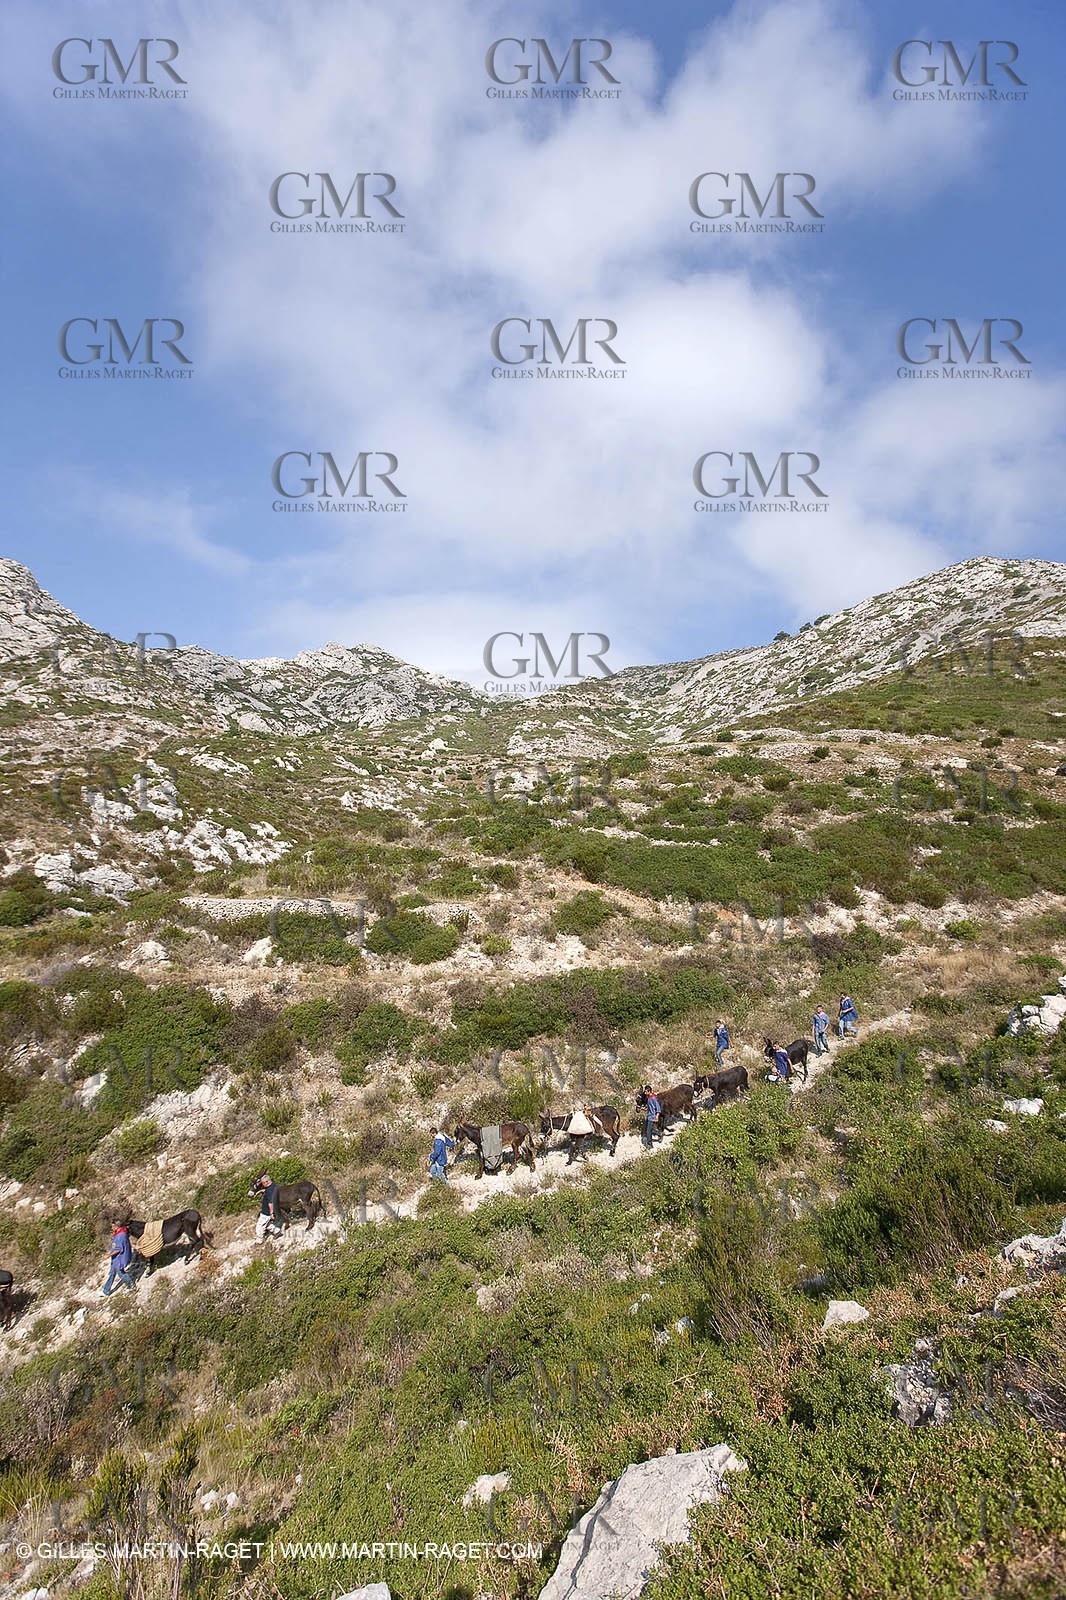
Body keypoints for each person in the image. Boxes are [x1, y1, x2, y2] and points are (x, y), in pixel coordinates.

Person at [100, 1222, 135, 1296]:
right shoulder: (119, 1233)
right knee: (112, 1273)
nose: (112, 1228)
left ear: (116, 1226)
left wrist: (108, 1255)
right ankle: (106, 1290)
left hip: (119, 1258)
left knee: (121, 1273)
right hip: (115, 1259)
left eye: (112, 1226)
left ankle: (131, 1284)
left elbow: (119, 1249)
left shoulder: (121, 1236)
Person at [254, 1172, 283, 1241]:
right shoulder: (274, 1186)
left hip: (266, 1212)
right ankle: (277, 1232)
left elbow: (270, 1203)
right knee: (267, 1224)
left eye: (263, 1183)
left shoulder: (269, 1191)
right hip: (267, 1211)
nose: (262, 1185)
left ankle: (259, 1240)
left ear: (266, 1182)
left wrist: (271, 1213)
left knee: (260, 1226)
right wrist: (262, 1190)